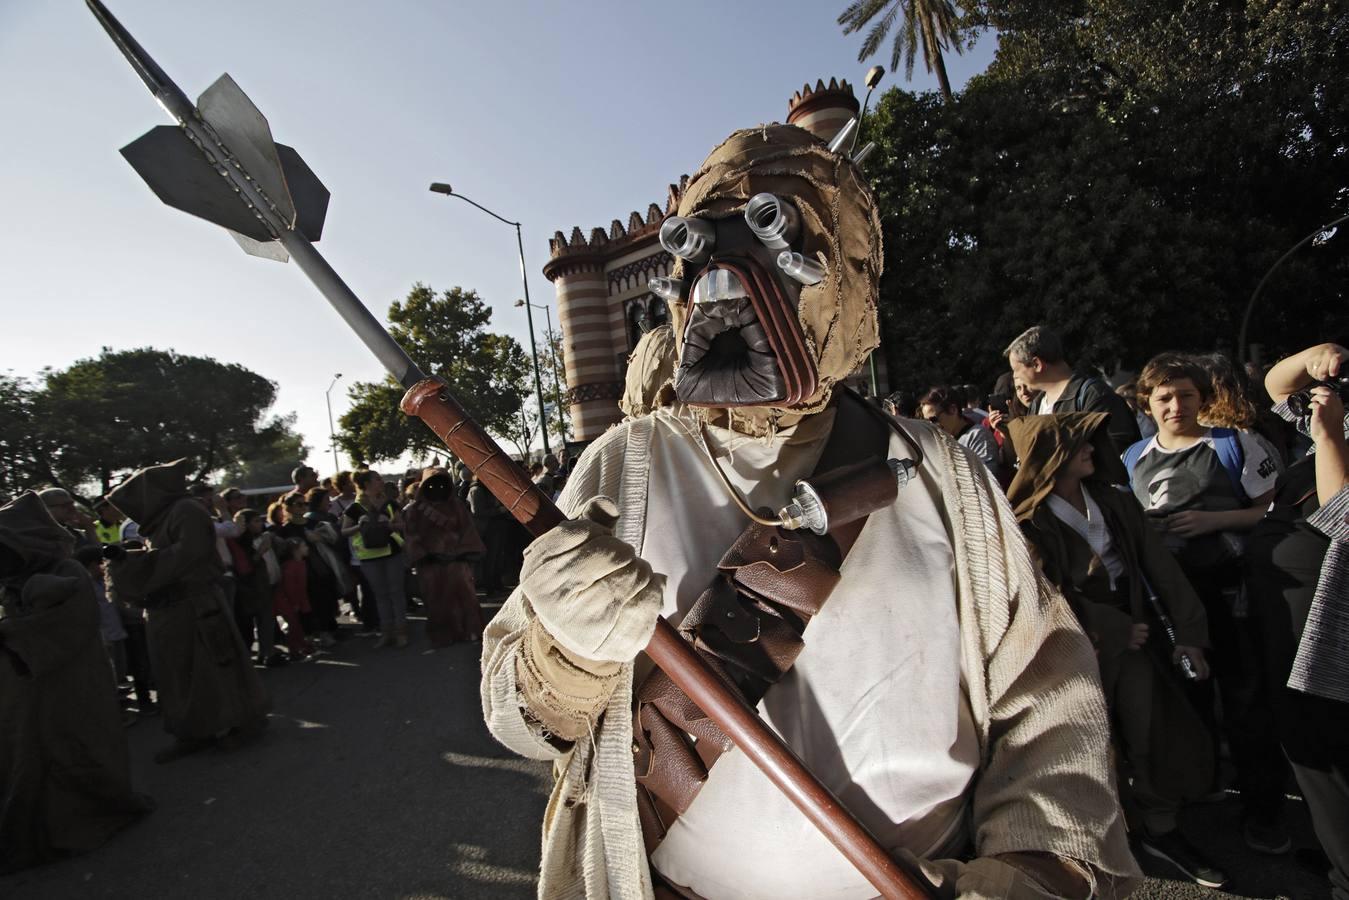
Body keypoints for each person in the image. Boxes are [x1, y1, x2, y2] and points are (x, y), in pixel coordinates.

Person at [483, 123, 1136, 899]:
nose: (725, 283)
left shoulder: (939, 471)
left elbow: (1046, 692)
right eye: (700, 248)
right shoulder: (621, 466)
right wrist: (564, 655)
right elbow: (519, 723)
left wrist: (1033, 867)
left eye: (770, 237)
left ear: (850, 286)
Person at [1008, 413, 1221, 887]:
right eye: (1080, 443)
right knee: (1084, 746)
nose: (1092, 448)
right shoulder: (1027, 520)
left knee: (1149, 729)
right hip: (1069, 646)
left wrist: (1189, 633)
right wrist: (1107, 624)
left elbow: (1162, 569)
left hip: (1134, 638)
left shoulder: (1114, 503)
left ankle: (1160, 827)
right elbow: (1036, 589)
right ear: (1051, 456)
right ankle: (1093, 842)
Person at [1124, 353, 1287, 852]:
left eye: (1186, 395)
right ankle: (1205, 783)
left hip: (1232, 595)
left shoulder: (1233, 444)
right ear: (1148, 404)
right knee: (1189, 700)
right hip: (1171, 602)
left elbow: (1274, 510)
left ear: (1203, 397)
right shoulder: (1133, 456)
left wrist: (1215, 522)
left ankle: (1265, 813)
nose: (1176, 405)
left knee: (1245, 701)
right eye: (1165, 397)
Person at [0, 492, 153, 872]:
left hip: (72, 682)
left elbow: (65, 628)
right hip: (34, 685)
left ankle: (83, 814)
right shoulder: (17, 580)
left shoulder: (65, 573)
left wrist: (11, 634)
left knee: (74, 749)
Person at [1252, 341, 1349, 893]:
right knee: (1314, 757)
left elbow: (1342, 517)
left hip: (1333, 627)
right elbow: (1276, 387)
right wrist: (1318, 356)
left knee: (1328, 754)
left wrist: (1330, 435)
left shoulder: (1337, 431)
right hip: (1296, 618)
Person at [105, 459, 270, 763]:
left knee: (216, 667)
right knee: (178, 676)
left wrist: (140, 566)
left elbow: (190, 554)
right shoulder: (162, 518)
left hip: (197, 604)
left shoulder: (186, 510)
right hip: (170, 609)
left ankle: (241, 724)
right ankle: (194, 730)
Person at [1004, 325, 1141, 454]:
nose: (1015, 375)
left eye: (1016, 369)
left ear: (1036, 364)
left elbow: (1118, 453)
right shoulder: (1037, 404)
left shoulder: (1093, 395)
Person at [403, 468, 485, 646]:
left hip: (457, 563)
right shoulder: (415, 511)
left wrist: (462, 553)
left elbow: (468, 531)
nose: (437, 487)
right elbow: (411, 537)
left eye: (441, 483)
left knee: (465, 598)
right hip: (431, 566)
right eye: (431, 484)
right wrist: (426, 556)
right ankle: (443, 635)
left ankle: (470, 631)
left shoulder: (457, 506)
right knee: (436, 602)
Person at [341, 469, 408, 648]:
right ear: (366, 484)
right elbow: (344, 531)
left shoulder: (389, 503)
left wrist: (390, 525)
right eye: (377, 479)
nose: (381, 481)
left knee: (396, 593)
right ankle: (386, 633)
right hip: (368, 557)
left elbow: (403, 524)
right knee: (381, 595)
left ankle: (401, 632)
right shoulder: (354, 508)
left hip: (392, 552)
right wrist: (359, 525)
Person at [229, 509, 281, 667]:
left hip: (266, 585)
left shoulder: (263, 537)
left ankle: (265, 652)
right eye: (255, 521)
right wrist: (260, 551)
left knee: (267, 621)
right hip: (253, 588)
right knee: (262, 621)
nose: (260, 524)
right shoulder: (241, 543)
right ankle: (267, 653)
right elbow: (245, 566)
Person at [919, 385, 1002, 480]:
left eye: (933, 419)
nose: (931, 426)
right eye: (926, 422)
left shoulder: (979, 436)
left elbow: (987, 480)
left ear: (953, 410)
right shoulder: (939, 440)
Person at [272, 538, 315, 659]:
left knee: (296, 625)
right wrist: (295, 603)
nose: (307, 548)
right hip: (287, 601)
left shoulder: (299, 564)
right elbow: (290, 587)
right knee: (294, 626)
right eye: (304, 546)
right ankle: (294, 651)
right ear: (296, 550)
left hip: (292, 600)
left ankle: (302, 647)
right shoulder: (290, 567)